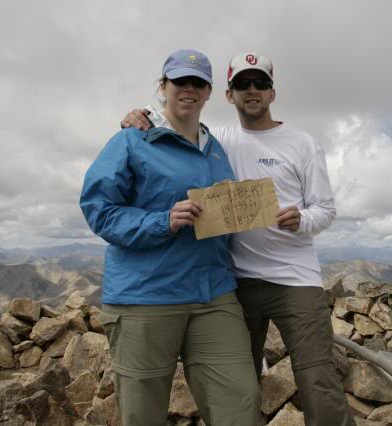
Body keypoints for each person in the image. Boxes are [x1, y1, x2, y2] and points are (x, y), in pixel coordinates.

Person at [121, 52, 354, 426]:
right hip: (234, 281)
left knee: (317, 377)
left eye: (260, 83)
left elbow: (325, 209)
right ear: (228, 95)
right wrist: (142, 115)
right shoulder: (218, 141)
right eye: (242, 84)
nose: (252, 91)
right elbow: (179, 123)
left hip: (295, 279)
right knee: (239, 382)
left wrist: (302, 218)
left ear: (272, 93)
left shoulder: (302, 143)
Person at [80, 49, 260, 426]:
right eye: (180, 81)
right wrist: (163, 221)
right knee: (142, 414)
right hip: (146, 296)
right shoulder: (132, 140)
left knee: (240, 407)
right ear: (163, 87)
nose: (189, 89)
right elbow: (98, 208)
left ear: (210, 92)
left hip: (213, 295)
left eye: (198, 82)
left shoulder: (215, 149)